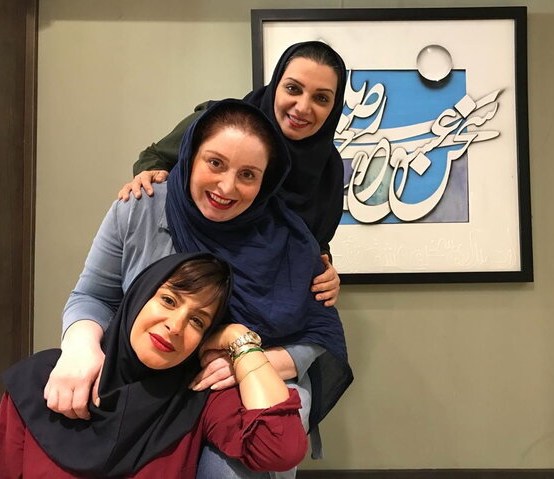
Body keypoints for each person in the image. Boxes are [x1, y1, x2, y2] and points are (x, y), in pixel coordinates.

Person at [44, 100, 353, 478]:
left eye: (248, 175)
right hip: (146, 376)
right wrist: (80, 347)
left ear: (266, 182)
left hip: (233, 382)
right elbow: (94, 295)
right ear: (190, 155)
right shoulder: (141, 206)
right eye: (215, 163)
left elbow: (317, 333)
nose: (227, 187)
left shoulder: (289, 240)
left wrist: (247, 360)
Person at [0, 252, 308, 477]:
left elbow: (279, 448)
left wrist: (240, 340)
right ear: (139, 296)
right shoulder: (40, 381)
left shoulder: (197, 394)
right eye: (168, 300)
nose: (175, 326)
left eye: (198, 321)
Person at [118, 41, 347, 308]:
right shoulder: (220, 123)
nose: (303, 107)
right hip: (191, 287)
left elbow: (315, 241)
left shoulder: (329, 170)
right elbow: (155, 157)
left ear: (334, 107)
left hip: (265, 302)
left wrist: (327, 271)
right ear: (276, 85)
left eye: (321, 98)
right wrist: (148, 178)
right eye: (293, 89)